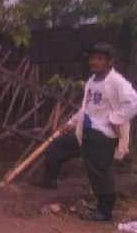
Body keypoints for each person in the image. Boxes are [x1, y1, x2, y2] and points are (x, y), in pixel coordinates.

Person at [29, 42, 137, 222]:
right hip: (87, 130)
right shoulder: (92, 81)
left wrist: (114, 119)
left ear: (110, 62)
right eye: (92, 58)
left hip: (102, 135)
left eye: (99, 59)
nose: (94, 62)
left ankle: (104, 211)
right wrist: (70, 124)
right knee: (58, 147)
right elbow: (86, 108)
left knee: (99, 171)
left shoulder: (117, 82)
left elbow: (133, 104)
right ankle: (49, 181)